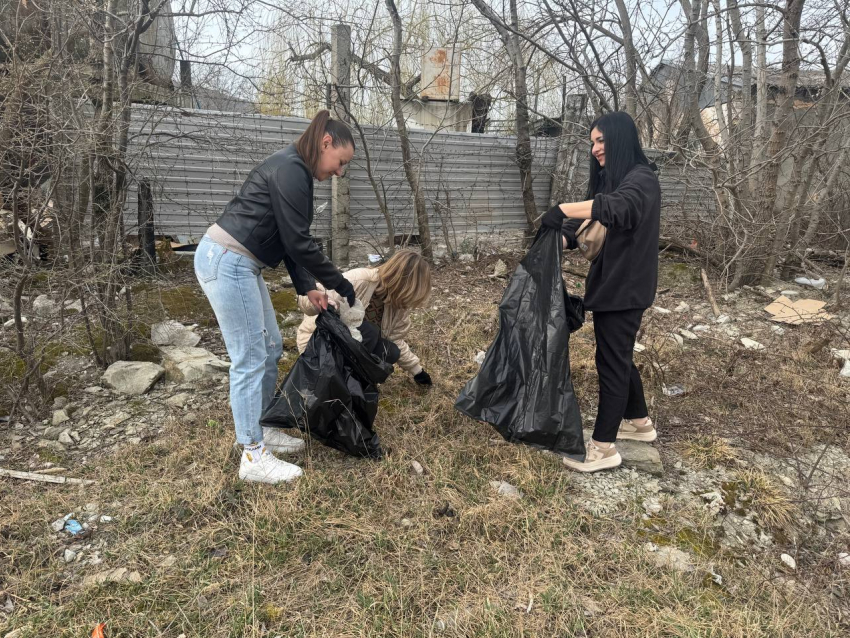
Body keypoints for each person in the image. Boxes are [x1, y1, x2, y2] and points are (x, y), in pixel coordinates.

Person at [194, 110, 358, 485]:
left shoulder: (295, 169)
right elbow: (300, 243)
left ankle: (262, 429)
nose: (339, 172)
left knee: (268, 349)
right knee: (250, 356)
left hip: (239, 263)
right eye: (340, 162)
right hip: (227, 261)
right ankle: (252, 455)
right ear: (326, 143)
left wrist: (308, 288)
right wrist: (340, 284)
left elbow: (288, 240)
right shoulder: (291, 170)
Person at [540, 110, 661, 473]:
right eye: (592, 142)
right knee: (617, 355)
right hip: (613, 285)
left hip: (626, 289)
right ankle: (639, 423)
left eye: (601, 140)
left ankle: (604, 447)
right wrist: (560, 236)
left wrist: (560, 207)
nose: (594, 148)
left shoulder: (642, 180)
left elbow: (614, 209)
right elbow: (589, 219)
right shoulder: (617, 180)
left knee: (611, 362)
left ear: (620, 138)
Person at [296, 249, 433, 386]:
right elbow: (306, 296)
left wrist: (417, 371)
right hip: (318, 345)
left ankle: (354, 380)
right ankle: (335, 378)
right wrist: (321, 304)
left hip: (351, 346)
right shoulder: (359, 280)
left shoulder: (397, 304)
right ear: (402, 284)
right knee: (370, 331)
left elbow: (395, 339)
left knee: (391, 352)